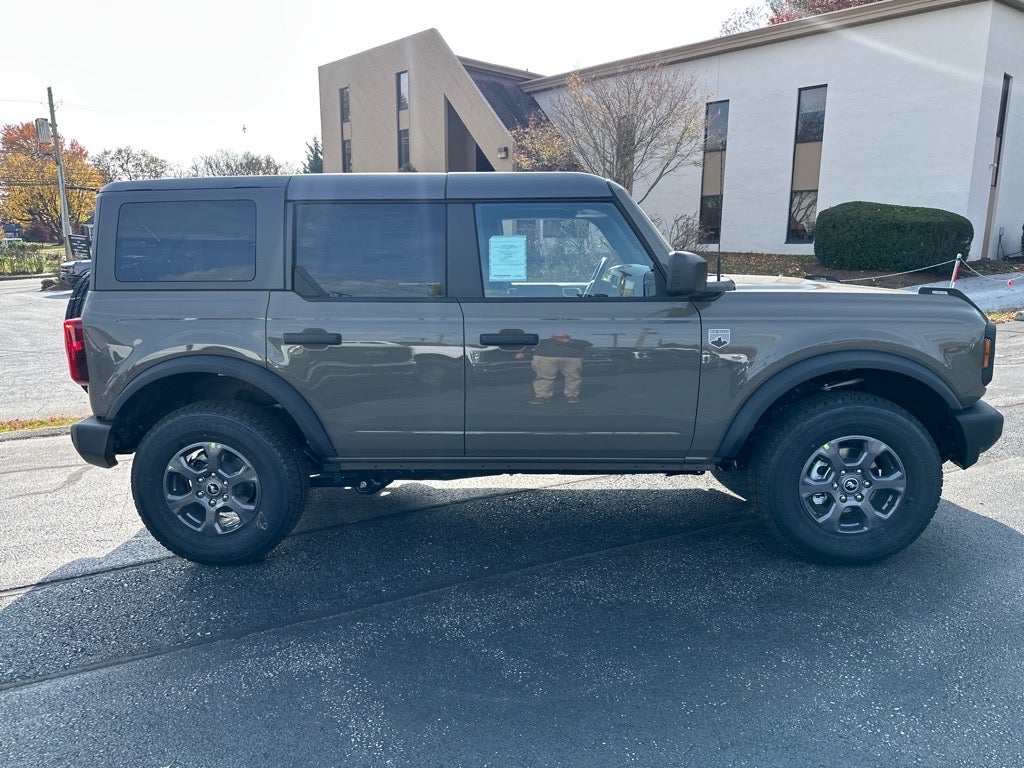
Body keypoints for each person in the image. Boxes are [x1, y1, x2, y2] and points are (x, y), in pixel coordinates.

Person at [523, 333, 592, 404]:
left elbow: (588, 344)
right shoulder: (543, 341)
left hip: (572, 358)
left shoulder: (577, 342)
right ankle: (542, 396)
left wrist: (569, 342)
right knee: (544, 377)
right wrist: (523, 353)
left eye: (563, 337)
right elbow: (529, 346)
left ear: (568, 337)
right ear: (553, 336)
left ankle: (572, 395)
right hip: (545, 358)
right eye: (558, 336)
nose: (560, 338)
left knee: (573, 377)